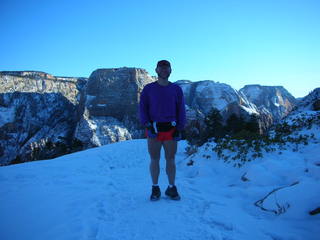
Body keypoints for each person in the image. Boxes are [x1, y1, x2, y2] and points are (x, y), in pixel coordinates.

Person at [139, 60, 186, 201]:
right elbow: (142, 108)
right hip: (154, 128)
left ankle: (171, 188)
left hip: (171, 129)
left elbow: (181, 109)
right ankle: (155, 188)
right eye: (162, 68)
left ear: (171, 70)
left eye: (167, 68)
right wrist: (147, 125)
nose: (164, 70)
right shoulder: (148, 89)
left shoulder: (176, 89)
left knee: (170, 159)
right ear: (156, 70)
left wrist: (180, 128)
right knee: (154, 159)